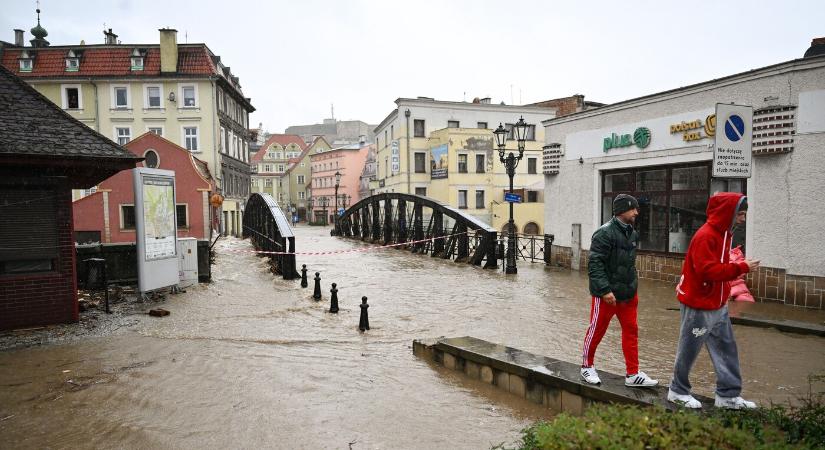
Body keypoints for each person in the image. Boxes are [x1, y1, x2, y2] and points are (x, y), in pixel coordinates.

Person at [667, 192, 759, 409]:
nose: (743, 219)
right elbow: (707, 271)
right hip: (699, 306)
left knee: (727, 348)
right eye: (741, 214)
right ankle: (677, 391)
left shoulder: (724, 234)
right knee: (688, 349)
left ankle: (727, 396)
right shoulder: (706, 236)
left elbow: (716, 268)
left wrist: (726, 290)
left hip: (718, 305)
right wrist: (742, 267)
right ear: (729, 213)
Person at [581, 194, 658, 387]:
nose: (637, 212)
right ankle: (586, 367)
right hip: (607, 295)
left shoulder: (632, 233)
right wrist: (605, 290)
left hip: (628, 295)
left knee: (631, 331)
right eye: (633, 209)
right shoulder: (604, 233)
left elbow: (629, 264)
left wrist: (633, 288)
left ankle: (633, 374)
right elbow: (595, 264)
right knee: (596, 330)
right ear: (623, 210)